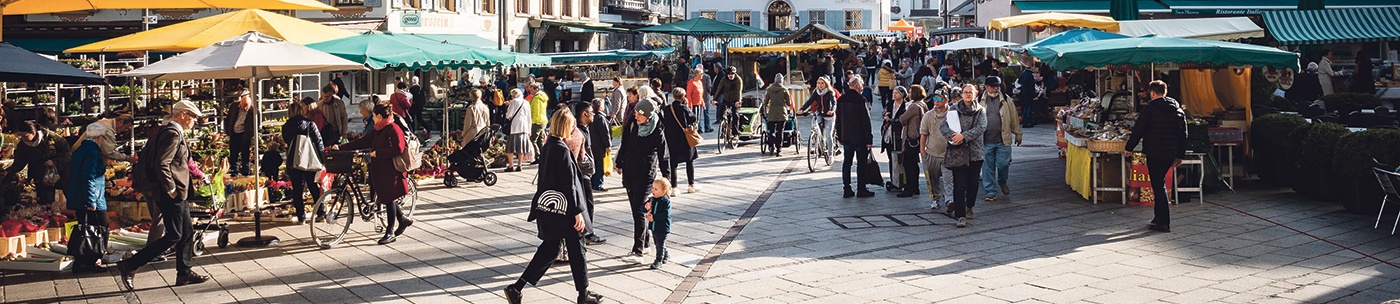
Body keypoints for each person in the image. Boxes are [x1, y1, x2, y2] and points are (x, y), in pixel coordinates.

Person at [503, 109, 606, 304]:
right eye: (572, 124)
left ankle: (516, 288)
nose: (574, 128)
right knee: (577, 250)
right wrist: (577, 212)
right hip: (566, 211)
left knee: (550, 249)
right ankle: (583, 295)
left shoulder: (550, 145)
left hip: (552, 208)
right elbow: (569, 184)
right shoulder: (561, 149)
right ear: (565, 126)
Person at [117, 100, 210, 291]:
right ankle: (131, 265)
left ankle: (184, 273)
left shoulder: (171, 132)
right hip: (171, 193)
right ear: (183, 115)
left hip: (177, 192)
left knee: (186, 232)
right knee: (175, 234)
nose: (195, 121)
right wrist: (171, 189)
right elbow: (162, 163)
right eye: (193, 117)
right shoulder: (172, 134)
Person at [332, 104, 412, 244]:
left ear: (380, 116)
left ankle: (390, 231)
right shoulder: (378, 130)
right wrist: (340, 147)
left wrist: (378, 153)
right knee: (386, 197)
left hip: (391, 170)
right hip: (380, 169)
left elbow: (398, 148)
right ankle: (402, 219)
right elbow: (363, 141)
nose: (373, 119)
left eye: (374, 116)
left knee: (389, 199)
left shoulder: (393, 128)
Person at [1126, 80, 1187, 233]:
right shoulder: (1178, 110)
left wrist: (1129, 147)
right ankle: (1157, 218)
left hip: (1154, 152)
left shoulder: (1149, 109)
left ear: (1152, 93)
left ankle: (1164, 222)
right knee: (1160, 185)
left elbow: (1138, 130)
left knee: (1159, 186)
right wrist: (1180, 154)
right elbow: (1183, 134)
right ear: (1165, 92)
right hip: (1170, 152)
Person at [615, 96, 670, 264]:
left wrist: (666, 177)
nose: (636, 116)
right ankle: (645, 244)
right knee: (636, 209)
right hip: (630, 172)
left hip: (646, 174)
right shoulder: (632, 122)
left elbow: (664, 154)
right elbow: (624, 142)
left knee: (640, 210)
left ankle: (638, 250)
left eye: (640, 114)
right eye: (636, 113)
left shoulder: (657, 129)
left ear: (648, 115)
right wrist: (619, 162)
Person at [942, 84, 988, 228]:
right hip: (958, 152)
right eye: (965, 92)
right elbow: (943, 127)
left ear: (975, 95)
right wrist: (953, 136)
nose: (968, 94)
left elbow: (981, 127)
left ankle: (970, 205)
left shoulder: (980, 111)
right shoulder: (953, 109)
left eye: (970, 92)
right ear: (961, 94)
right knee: (959, 184)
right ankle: (960, 215)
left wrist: (964, 136)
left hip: (975, 152)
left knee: (972, 183)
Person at [66, 133, 109, 274]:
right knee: (99, 228)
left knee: (85, 229)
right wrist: (91, 200)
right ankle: (90, 261)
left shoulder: (81, 150)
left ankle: (80, 262)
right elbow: (89, 177)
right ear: (100, 137)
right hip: (92, 198)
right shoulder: (93, 153)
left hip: (79, 196)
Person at [3, 121, 70, 207]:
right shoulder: (23, 145)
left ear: (33, 133)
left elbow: (66, 153)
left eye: (25, 136)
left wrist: (54, 161)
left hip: (61, 171)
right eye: (21, 136)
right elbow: (19, 162)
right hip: (40, 173)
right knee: (45, 202)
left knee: (69, 194)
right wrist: (8, 171)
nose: (23, 139)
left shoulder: (53, 138)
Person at [572, 101, 609, 245]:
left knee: (587, 203)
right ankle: (587, 233)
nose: (593, 114)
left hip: (584, 172)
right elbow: (580, 155)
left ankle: (586, 232)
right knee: (587, 204)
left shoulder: (584, 128)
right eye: (591, 112)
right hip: (582, 173)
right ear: (584, 114)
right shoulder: (578, 131)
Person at [282, 101, 325, 225]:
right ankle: (320, 212)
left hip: (294, 160)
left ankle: (301, 216)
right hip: (309, 159)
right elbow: (318, 141)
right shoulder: (309, 124)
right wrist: (322, 159)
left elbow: (286, 140)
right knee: (313, 187)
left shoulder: (286, 126)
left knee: (297, 189)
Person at [980, 76, 1022, 202]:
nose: (995, 88)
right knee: (987, 167)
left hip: (1003, 139)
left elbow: (1014, 118)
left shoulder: (1006, 100)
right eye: (993, 86)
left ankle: (1002, 182)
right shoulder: (979, 100)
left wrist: (1018, 133)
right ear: (986, 87)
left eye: (997, 86)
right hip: (986, 140)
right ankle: (991, 191)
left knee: (1003, 164)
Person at [836, 76, 875, 198]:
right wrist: (869, 139)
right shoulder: (861, 100)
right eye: (861, 85)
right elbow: (866, 121)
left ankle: (846, 188)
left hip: (846, 135)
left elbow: (838, 119)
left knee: (847, 162)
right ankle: (861, 188)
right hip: (859, 136)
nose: (862, 87)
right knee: (861, 163)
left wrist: (839, 134)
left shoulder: (841, 99)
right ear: (857, 86)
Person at [920, 84, 953, 210]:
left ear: (946, 100)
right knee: (933, 179)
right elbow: (923, 134)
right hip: (932, 153)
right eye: (934, 99)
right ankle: (935, 198)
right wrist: (923, 152)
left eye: (939, 99)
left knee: (948, 179)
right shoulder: (928, 115)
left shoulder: (952, 114)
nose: (936, 102)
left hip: (948, 154)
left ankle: (950, 200)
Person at [661, 88, 699, 193]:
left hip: (671, 139)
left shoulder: (667, 109)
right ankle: (691, 185)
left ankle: (674, 187)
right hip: (684, 139)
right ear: (683, 97)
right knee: (689, 161)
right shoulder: (684, 108)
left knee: (673, 164)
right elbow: (693, 118)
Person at [897, 85, 928, 198]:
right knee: (914, 164)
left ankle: (909, 188)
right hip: (918, 138)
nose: (909, 94)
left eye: (910, 92)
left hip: (911, 138)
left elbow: (902, 118)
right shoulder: (923, 104)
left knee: (908, 164)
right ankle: (915, 187)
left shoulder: (914, 106)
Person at [798, 76, 837, 155]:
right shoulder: (816, 92)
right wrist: (802, 109)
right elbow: (809, 101)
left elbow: (834, 102)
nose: (820, 85)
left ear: (826, 84)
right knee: (815, 121)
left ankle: (830, 154)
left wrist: (832, 110)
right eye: (818, 83)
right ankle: (814, 137)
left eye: (822, 83)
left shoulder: (830, 92)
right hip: (820, 113)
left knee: (828, 134)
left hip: (829, 115)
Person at [226, 85, 258, 176]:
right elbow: (228, 119)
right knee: (233, 154)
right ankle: (234, 172)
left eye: (247, 106)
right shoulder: (234, 106)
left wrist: (250, 135)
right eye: (244, 106)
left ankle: (245, 172)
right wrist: (228, 132)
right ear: (240, 103)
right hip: (234, 134)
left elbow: (256, 125)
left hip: (245, 135)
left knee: (245, 155)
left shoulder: (254, 111)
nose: (246, 108)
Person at [641, 177, 672, 269]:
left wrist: (654, 217)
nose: (653, 191)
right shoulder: (652, 199)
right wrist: (645, 207)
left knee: (660, 244)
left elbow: (666, 214)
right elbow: (642, 208)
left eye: (656, 189)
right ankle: (665, 254)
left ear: (663, 191)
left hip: (662, 227)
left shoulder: (665, 201)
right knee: (657, 243)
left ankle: (659, 260)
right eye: (653, 188)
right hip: (654, 226)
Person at [504, 89, 534, 172]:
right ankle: (519, 165)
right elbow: (529, 117)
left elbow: (509, 115)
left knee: (510, 148)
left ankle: (511, 165)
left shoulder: (513, 102)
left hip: (514, 127)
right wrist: (529, 129)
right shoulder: (526, 102)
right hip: (524, 127)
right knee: (521, 147)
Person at [763, 74, 793, 156]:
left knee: (771, 131)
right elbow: (788, 103)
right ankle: (778, 149)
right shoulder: (784, 90)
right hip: (781, 113)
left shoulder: (769, 89)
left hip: (772, 112)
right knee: (780, 132)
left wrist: (764, 110)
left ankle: (771, 145)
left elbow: (765, 102)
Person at [714, 66, 744, 142]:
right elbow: (719, 89)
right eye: (729, 74)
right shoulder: (724, 79)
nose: (730, 75)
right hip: (726, 99)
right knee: (722, 112)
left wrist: (738, 101)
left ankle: (735, 133)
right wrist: (714, 99)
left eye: (732, 74)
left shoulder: (738, 80)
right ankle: (723, 128)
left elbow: (739, 91)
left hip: (735, 100)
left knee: (735, 115)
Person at [528, 82, 550, 162]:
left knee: (533, 140)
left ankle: (538, 157)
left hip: (537, 120)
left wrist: (531, 121)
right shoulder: (543, 96)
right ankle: (544, 156)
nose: (530, 92)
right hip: (543, 119)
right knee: (540, 140)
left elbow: (535, 110)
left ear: (536, 89)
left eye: (531, 90)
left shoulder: (537, 98)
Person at [686, 68, 710, 134]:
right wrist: (690, 105)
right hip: (693, 104)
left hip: (699, 103)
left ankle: (695, 132)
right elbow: (688, 94)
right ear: (697, 74)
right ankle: (694, 133)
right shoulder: (691, 82)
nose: (703, 75)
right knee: (694, 120)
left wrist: (703, 103)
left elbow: (701, 94)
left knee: (698, 119)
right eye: (701, 73)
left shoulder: (700, 82)